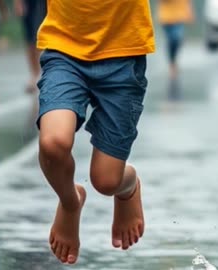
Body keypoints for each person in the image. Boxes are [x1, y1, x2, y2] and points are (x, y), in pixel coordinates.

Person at [36, 0, 154, 264]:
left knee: (106, 181)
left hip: (123, 55)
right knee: (53, 143)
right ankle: (70, 201)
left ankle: (129, 184)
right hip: (63, 50)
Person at [14, 0, 47, 93]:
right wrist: (18, 2)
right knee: (30, 39)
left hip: (45, 3)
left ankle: (41, 73)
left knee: (39, 35)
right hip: (28, 4)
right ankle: (34, 74)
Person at [157, 0, 193, 79]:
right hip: (166, 17)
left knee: (177, 38)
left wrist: (189, 12)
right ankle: (172, 63)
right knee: (171, 40)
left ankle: (174, 61)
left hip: (180, 16)